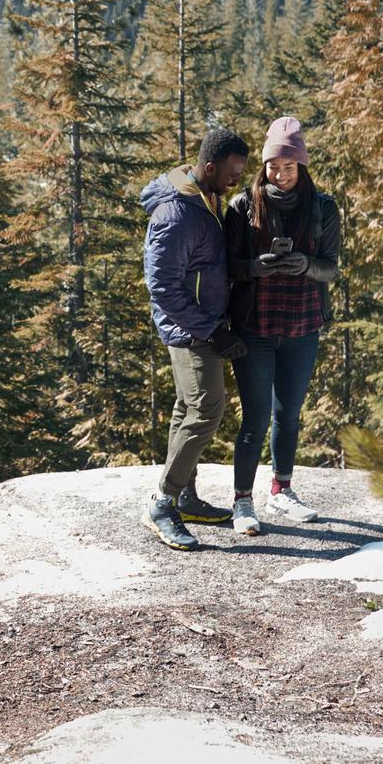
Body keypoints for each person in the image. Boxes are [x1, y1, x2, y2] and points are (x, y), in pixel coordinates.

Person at [223, 116, 342, 534]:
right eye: (273, 165)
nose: (280, 173)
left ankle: (281, 490)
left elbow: (331, 268)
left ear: (302, 167)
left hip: (303, 324)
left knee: (288, 414)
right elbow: (227, 268)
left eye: (289, 167)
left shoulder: (323, 207)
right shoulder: (243, 205)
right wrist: (255, 267)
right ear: (264, 165)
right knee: (255, 418)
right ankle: (242, 502)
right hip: (254, 325)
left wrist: (307, 265)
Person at [139, 127, 250, 551]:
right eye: (232, 173)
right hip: (190, 328)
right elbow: (163, 288)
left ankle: (184, 496)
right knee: (207, 408)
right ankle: (162, 503)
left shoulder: (203, 199)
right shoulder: (177, 214)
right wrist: (211, 331)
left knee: (188, 406)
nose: (236, 180)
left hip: (200, 322)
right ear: (208, 168)